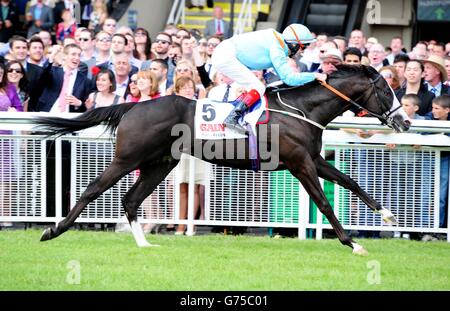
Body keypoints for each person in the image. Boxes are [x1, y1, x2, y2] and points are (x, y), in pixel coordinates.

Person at [211, 23, 326, 134]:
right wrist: (314, 75)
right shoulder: (277, 47)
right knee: (258, 87)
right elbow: (289, 79)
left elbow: (283, 77)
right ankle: (232, 118)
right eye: (303, 47)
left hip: (226, 53)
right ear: (295, 44)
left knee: (255, 88)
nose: (303, 51)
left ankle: (238, 116)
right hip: (226, 55)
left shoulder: (277, 42)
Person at [174, 76, 210, 235]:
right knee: (182, 187)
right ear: (178, 91)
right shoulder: (174, 107)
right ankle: (181, 224)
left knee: (195, 187)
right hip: (181, 149)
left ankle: (191, 224)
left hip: (197, 149)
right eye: (184, 87)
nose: (188, 90)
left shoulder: (200, 105)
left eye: (190, 87)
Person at [0, 61, 23, 227]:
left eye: (1, 73)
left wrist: (14, 111)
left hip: (7, 141)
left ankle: (5, 215)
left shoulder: (10, 89)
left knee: (7, 180)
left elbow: (20, 110)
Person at [424, 95, 450, 232]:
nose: (433, 111)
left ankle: (438, 229)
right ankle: (423, 228)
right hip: (428, 159)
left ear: (447, 110)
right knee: (425, 195)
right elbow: (423, 133)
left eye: (437, 108)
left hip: (445, 159)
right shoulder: (427, 119)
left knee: (441, 196)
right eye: (433, 108)